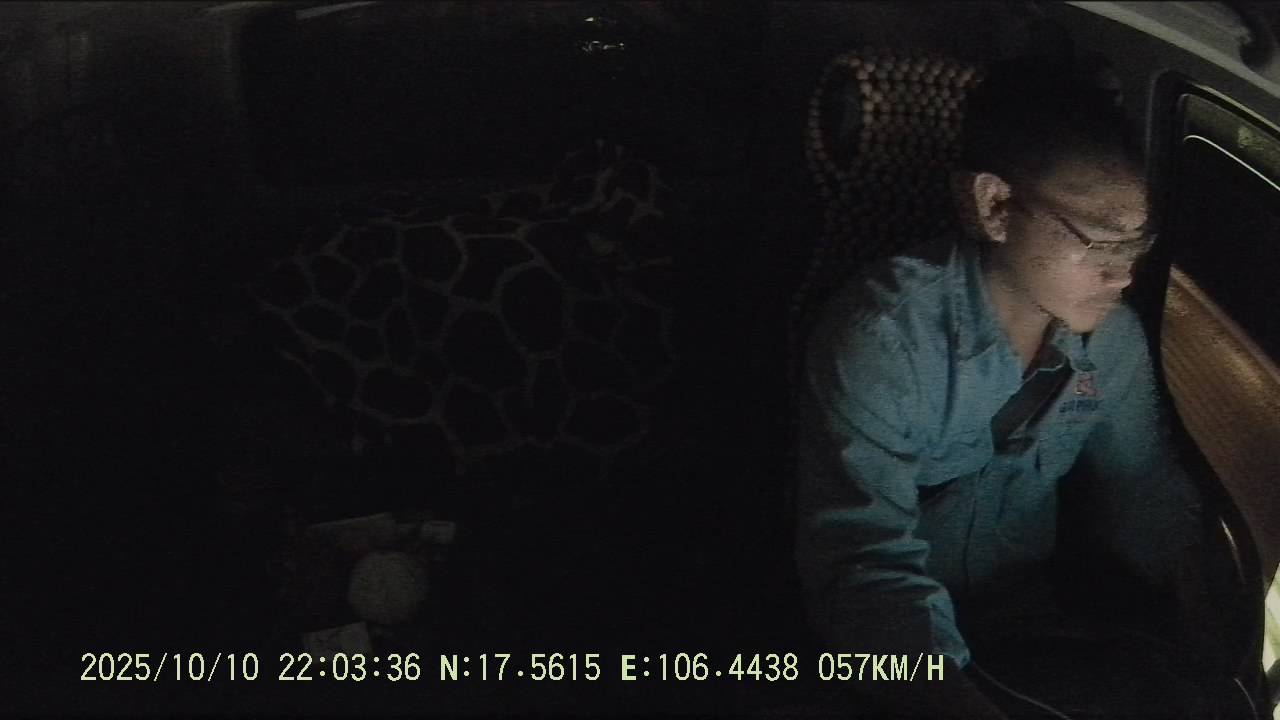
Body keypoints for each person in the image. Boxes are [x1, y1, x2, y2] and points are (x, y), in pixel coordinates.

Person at [794, 56, 1205, 718]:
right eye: (1098, 242)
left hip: (1025, 618)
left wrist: (1202, 606)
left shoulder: (1111, 338)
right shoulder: (887, 337)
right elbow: (863, 567)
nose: (1122, 276)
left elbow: (1140, 484)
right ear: (994, 205)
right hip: (886, 645)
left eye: (1135, 245)